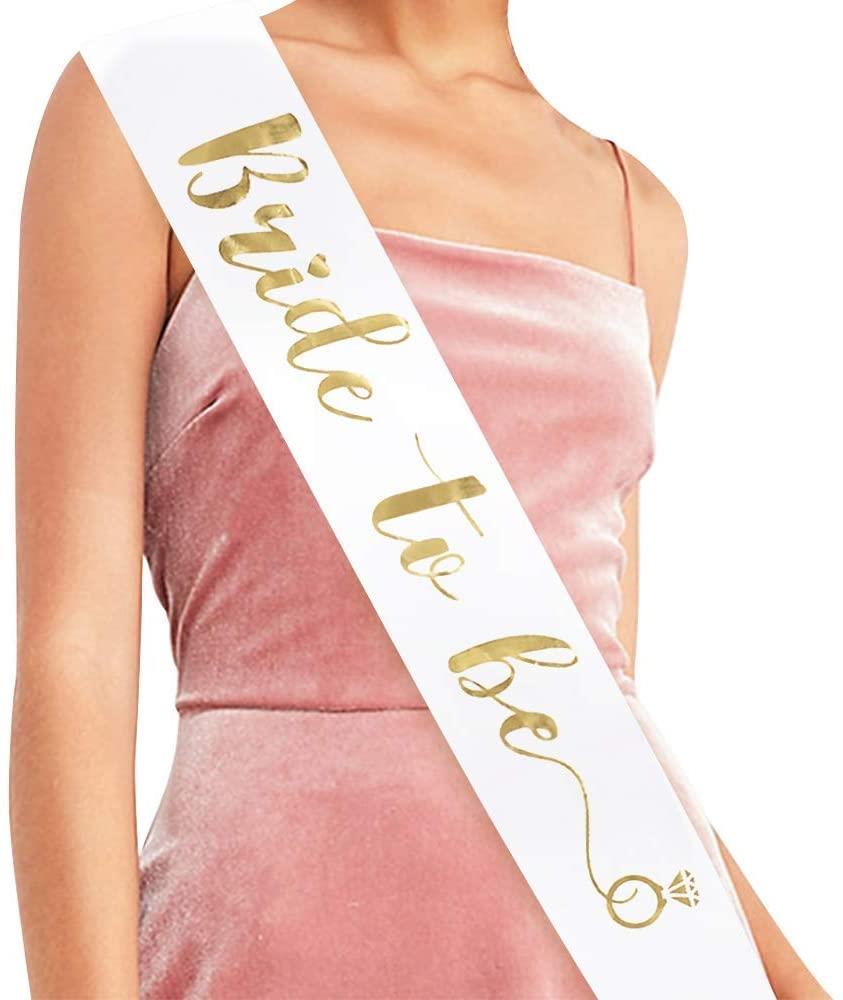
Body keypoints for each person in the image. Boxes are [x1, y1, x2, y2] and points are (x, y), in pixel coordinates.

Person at [11, 1, 830, 997]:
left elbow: (583, 703)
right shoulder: (162, 101)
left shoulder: (637, 215)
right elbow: (75, 661)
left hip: (589, 955)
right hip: (269, 938)